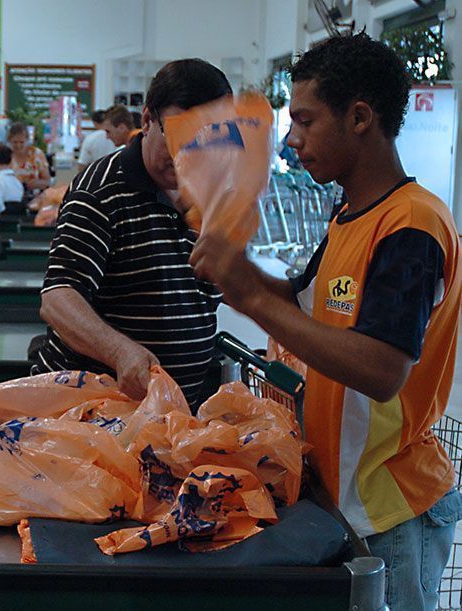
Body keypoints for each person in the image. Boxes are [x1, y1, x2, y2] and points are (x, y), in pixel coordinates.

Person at [189, 33, 462, 610]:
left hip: (394, 508)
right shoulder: (349, 216)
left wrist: (252, 298)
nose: (292, 140)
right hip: (346, 497)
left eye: (307, 122)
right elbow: (299, 300)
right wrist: (231, 260)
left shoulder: (411, 227)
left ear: (360, 117)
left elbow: (382, 367)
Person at [35, 59, 229, 407]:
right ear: (147, 120)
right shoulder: (100, 192)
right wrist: (120, 351)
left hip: (173, 416)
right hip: (95, 417)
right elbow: (58, 298)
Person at [7, 122, 51, 191]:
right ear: (9, 140)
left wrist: (37, 183)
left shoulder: (37, 154)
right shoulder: (5, 154)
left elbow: (47, 181)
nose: (18, 146)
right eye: (15, 142)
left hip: (35, 196)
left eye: (22, 142)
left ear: (27, 140)